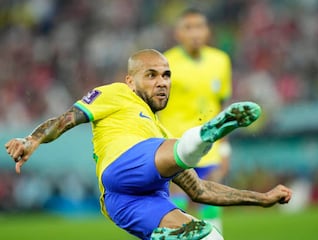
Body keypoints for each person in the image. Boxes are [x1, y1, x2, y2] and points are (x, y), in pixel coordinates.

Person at [5, 49, 292, 240]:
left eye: (166, 75)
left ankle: (165, 234)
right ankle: (208, 133)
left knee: (210, 235)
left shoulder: (159, 132)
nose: (162, 82)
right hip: (120, 170)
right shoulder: (116, 94)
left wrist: (262, 199)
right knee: (176, 149)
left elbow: (201, 190)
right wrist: (33, 140)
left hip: (133, 203)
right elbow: (67, 118)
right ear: (130, 81)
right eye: (151, 75)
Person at [158, 8, 232, 231]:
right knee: (177, 206)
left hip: (210, 146)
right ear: (178, 33)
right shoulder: (165, 63)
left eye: (199, 26)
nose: (195, 33)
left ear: (208, 31)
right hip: (176, 146)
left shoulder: (220, 61)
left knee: (211, 204)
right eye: (188, 28)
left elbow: (222, 106)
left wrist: (225, 148)